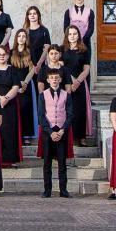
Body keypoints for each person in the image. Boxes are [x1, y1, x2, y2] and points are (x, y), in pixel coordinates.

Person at [0, 46, 24, 166]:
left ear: (8, 56)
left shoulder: (13, 70)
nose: (2, 56)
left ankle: (10, 159)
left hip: (10, 104)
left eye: (4, 54)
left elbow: (16, 87)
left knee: (9, 131)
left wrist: (6, 98)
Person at [38, 67, 73, 198]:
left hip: (62, 131)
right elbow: (41, 115)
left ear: (60, 79)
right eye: (51, 78)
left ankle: (63, 189)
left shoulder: (66, 95)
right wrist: (50, 131)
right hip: (48, 131)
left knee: (62, 163)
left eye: (56, 78)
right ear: (48, 80)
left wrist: (63, 130)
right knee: (47, 162)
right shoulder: (43, 95)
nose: (54, 80)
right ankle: (47, 190)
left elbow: (70, 114)